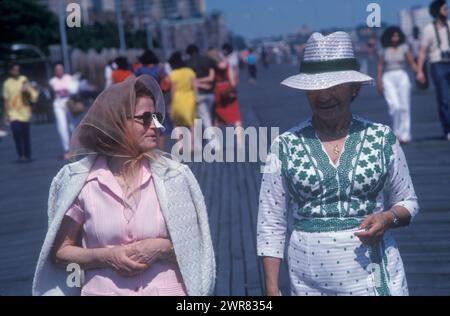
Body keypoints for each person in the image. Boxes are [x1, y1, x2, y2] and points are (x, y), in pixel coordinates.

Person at [257, 32, 419, 296]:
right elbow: (270, 222)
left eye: (334, 86)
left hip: (373, 272)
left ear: (354, 88)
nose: (324, 96)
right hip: (308, 278)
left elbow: (409, 202)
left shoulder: (381, 137)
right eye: (316, 88)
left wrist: (387, 217)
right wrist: (272, 288)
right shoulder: (284, 146)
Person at [32, 75, 215, 296]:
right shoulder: (82, 182)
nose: (155, 126)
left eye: (156, 117)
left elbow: (196, 247)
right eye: (145, 118)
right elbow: (60, 252)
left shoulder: (174, 176)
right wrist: (106, 256)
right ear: (116, 123)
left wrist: (160, 248)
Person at [377, 26, 418, 144]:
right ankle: (396, 133)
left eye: (397, 36)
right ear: (388, 37)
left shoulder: (404, 48)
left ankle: (405, 134)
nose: (395, 38)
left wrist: (419, 73)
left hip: (402, 76)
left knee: (405, 106)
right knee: (395, 106)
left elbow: (411, 62)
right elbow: (379, 66)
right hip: (388, 77)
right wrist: (379, 83)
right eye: (393, 36)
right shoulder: (383, 50)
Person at [416, 0, 450, 141]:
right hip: (437, 64)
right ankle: (447, 129)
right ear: (437, 11)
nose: (447, 11)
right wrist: (420, 71)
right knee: (444, 98)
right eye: (444, 9)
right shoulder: (428, 29)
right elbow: (423, 51)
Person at [135, 50, 173, 151]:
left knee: (146, 124)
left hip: (144, 100)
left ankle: (148, 150)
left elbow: (134, 82)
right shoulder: (160, 69)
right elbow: (168, 81)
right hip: (158, 99)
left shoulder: (140, 70)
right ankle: (161, 151)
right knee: (160, 126)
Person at [186, 44, 220, 151]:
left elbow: (190, 81)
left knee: (202, 120)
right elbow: (212, 76)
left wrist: (198, 83)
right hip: (210, 93)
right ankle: (201, 144)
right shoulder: (207, 60)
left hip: (198, 94)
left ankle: (213, 144)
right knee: (207, 118)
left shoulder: (187, 64)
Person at [2, 63, 38, 161]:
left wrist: (26, 90)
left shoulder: (23, 79)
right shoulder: (7, 83)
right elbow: (6, 100)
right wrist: (6, 114)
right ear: (10, 71)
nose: (16, 71)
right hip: (13, 112)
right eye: (14, 69)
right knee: (16, 133)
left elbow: (32, 94)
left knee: (25, 134)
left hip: (24, 111)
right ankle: (21, 154)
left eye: (18, 69)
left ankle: (27, 154)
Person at [209, 51, 243, 146]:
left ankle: (215, 142)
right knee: (236, 118)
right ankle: (239, 142)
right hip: (228, 90)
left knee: (217, 119)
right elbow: (232, 82)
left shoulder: (213, 67)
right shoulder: (227, 66)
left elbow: (211, 80)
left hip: (218, 91)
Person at [168, 52, 197, 153]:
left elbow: (173, 89)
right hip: (189, 99)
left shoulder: (173, 74)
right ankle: (191, 146)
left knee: (176, 123)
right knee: (191, 124)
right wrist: (196, 98)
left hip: (177, 99)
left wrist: (171, 102)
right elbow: (195, 86)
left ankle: (180, 145)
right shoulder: (190, 71)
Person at [49, 63, 79, 160]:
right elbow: (51, 94)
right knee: (62, 127)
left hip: (69, 103)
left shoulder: (69, 78)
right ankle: (66, 149)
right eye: (57, 69)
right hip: (58, 104)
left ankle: (74, 149)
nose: (59, 71)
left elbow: (74, 90)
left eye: (60, 68)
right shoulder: (52, 81)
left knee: (72, 126)